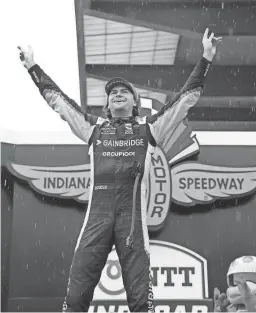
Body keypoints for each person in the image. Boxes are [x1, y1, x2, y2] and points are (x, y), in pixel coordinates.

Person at [18, 28, 221, 312]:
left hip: (132, 223)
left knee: (140, 301)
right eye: (113, 92)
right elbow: (60, 103)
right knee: (76, 297)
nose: (117, 95)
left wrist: (206, 59)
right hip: (96, 220)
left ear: (135, 103)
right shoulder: (93, 128)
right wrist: (33, 68)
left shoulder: (149, 129)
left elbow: (184, 100)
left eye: (124, 91)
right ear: (107, 104)